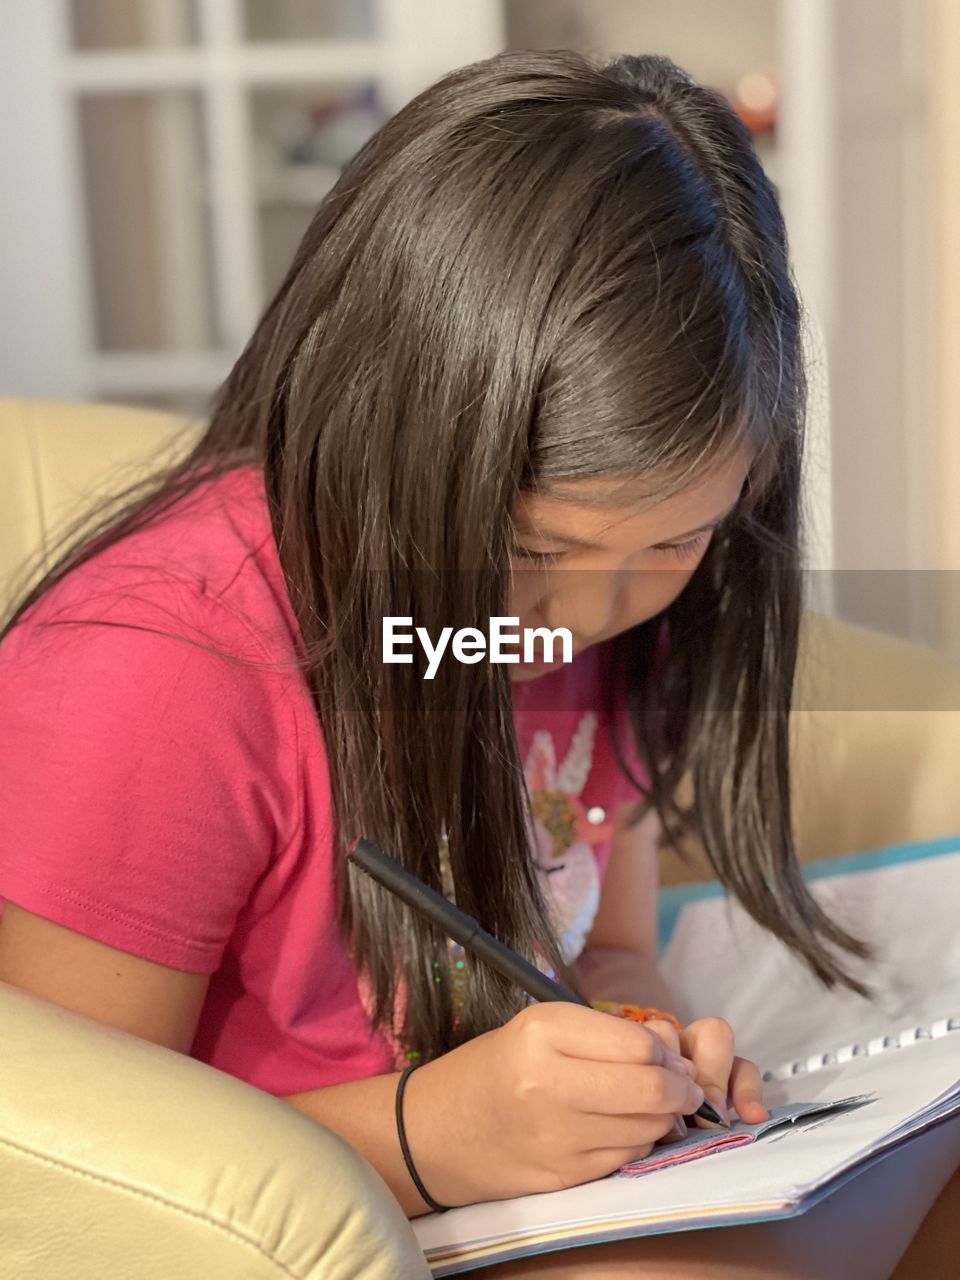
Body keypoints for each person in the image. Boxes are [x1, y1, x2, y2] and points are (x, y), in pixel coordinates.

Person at [0, 50, 954, 1278]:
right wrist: (432, 1134)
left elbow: (598, 944)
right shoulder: (161, 667)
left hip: (534, 1197)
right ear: (386, 424)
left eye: (675, 540)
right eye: (530, 548)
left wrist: (631, 1039)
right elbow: (68, 1166)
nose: (588, 617)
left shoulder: (607, 615)